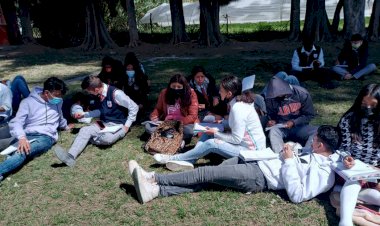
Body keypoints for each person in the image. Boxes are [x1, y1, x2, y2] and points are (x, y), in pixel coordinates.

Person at [129, 125, 339, 204]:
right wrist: (291, 148)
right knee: (211, 180)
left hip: (259, 176)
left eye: (314, 140)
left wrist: (290, 161)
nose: (310, 141)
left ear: (320, 145)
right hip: (256, 159)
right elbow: (297, 150)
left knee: (206, 173)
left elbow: (297, 195)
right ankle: (157, 191)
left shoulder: (324, 173)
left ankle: (154, 178)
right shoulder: (317, 152)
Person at [153, 75, 266, 171]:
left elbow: (236, 139)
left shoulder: (238, 108)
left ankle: (172, 158)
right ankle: (189, 160)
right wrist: (219, 124)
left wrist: (216, 133)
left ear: (229, 93)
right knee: (207, 132)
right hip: (243, 145)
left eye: (221, 90)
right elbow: (234, 124)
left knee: (212, 143)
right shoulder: (236, 104)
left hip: (250, 152)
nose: (219, 92)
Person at [54, 75, 138, 167]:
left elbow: (134, 107)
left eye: (88, 91)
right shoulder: (99, 94)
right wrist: (84, 114)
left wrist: (127, 126)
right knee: (84, 130)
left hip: (118, 124)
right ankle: (70, 157)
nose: (88, 93)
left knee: (107, 139)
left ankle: (87, 138)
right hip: (104, 123)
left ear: (96, 89)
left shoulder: (116, 93)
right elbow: (100, 111)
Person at [0, 77, 71, 182]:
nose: (59, 98)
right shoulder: (27, 102)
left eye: (61, 95)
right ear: (46, 92)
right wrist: (22, 138)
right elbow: (17, 122)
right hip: (25, 134)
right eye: (57, 95)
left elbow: (59, 115)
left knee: (22, 152)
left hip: (45, 137)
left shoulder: (58, 102)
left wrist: (65, 126)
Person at [336, 83, 380, 226]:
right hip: (353, 167)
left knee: (373, 193)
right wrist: (346, 158)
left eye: (373, 105)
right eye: (364, 103)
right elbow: (343, 147)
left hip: (375, 170)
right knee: (355, 181)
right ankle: (345, 221)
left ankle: (348, 195)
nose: (367, 108)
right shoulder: (349, 119)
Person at [265, 76, 318, 153]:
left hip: (300, 127)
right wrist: (272, 121)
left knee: (317, 131)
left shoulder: (302, 93)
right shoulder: (271, 98)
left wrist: (294, 122)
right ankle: (281, 154)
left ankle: (305, 154)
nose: (277, 97)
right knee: (273, 131)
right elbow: (271, 114)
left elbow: (309, 115)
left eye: (279, 95)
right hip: (282, 127)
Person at [146, 74, 199, 143]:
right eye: (173, 86)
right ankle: (174, 137)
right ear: (169, 85)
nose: (176, 89)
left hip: (184, 124)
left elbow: (193, 116)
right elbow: (158, 109)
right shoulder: (164, 93)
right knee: (148, 126)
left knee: (190, 131)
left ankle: (165, 136)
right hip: (167, 123)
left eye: (179, 87)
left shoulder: (190, 94)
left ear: (184, 87)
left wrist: (177, 124)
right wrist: (154, 116)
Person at [124, 55, 149, 121]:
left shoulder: (141, 77)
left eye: (131, 69)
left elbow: (144, 91)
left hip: (139, 101)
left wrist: (141, 103)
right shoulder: (124, 77)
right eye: (128, 69)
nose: (129, 70)